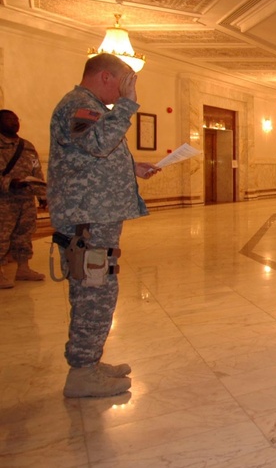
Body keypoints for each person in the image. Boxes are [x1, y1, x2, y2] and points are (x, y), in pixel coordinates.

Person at [49, 53, 160, 398]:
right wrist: (128, 105)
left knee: (97, 288)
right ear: (106, 77)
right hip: (87, 222)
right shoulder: (78, 105)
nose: (128, 89)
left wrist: (132, 167)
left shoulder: (89, 107)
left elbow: (90, 154)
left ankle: (90, 363)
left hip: (95, 219)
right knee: (94, 291)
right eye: (126, 81)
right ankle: (82, 372)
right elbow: (96, 144)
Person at [0, 110, 47, 288]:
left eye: (15, 119)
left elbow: (36, 170)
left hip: (26, 200)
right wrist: (9, 183)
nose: (14, 122)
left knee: (24, 234)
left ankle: (23, 268)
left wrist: (42, 195)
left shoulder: (27, 147)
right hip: (5, 201)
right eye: (9, 119)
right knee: (2, 236)